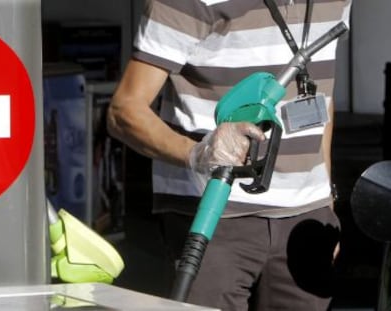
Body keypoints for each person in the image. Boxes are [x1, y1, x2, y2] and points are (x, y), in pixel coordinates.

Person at [107, 0, 352, 310]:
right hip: (212, 214)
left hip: (306, 217)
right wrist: (198, 153)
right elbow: (124, 110)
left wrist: (325, 202)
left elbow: (320, 95)